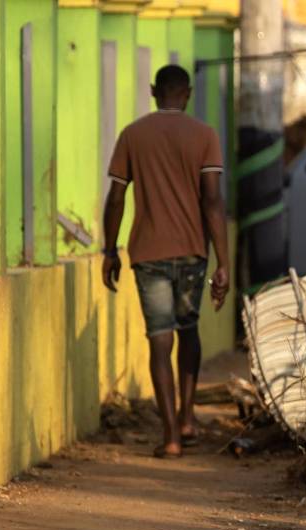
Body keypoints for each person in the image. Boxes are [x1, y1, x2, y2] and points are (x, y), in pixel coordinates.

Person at [101, 64, 230, 459]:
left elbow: (117, 198)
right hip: (192, 252)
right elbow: (212, 201)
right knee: (188, 330)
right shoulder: (205, 136)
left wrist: (110, 250)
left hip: (148, 254)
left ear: (155, 90)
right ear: (187, 93)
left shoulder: (132, 135)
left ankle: (172, 436)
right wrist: (223, 261)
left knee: (160, 340)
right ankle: (188, 417)